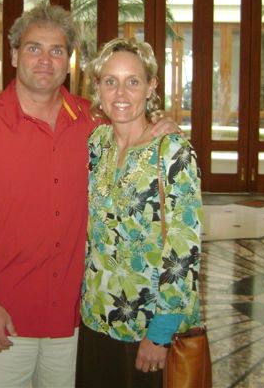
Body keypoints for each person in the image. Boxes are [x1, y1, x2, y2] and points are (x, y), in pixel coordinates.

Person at [0, 5, 178, 388]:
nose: (45, 60)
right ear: (14, 55)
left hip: (74, 320)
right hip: (5, 314)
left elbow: (137, 135)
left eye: (57, 51)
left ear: (69, 60)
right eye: (34, 48)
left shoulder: (94, 125)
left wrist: (162, 127)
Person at [75, 38, 203, 388]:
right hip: (96, 316)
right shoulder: (96, 144)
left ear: (151, 87)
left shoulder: (173, 153)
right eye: (110, 81)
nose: (120, 92)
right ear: (98, 87)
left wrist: (160, 334)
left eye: (133, 81)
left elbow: (184, 252)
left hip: (146, 326)